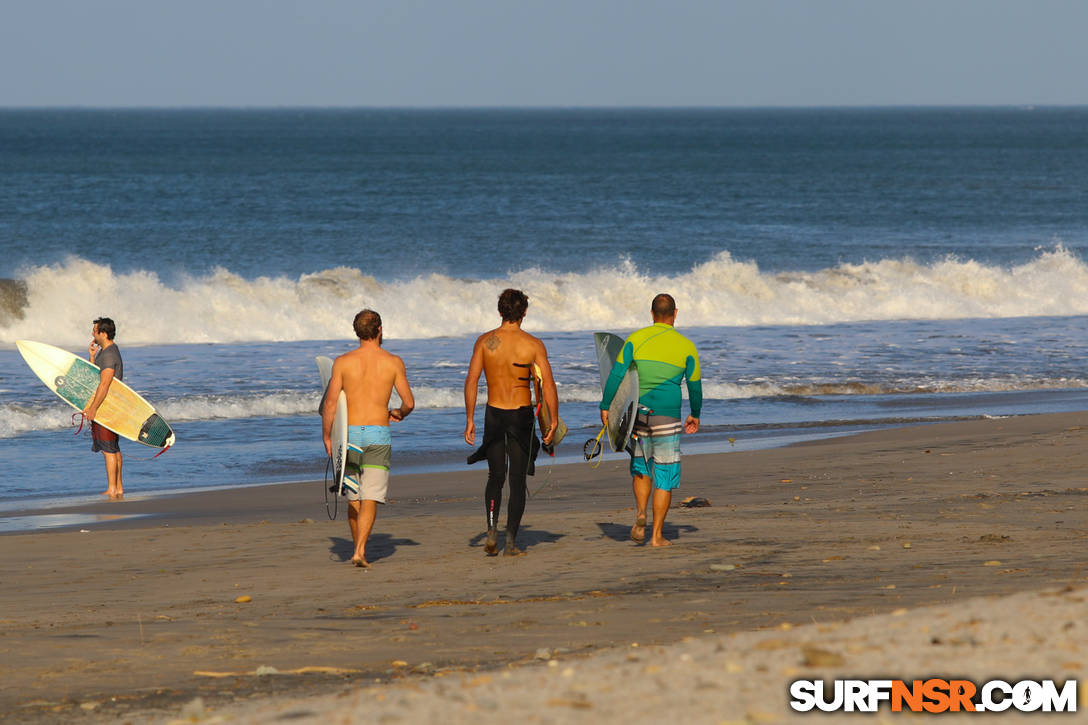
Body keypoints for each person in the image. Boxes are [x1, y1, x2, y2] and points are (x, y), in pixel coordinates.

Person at [600, 293, 702, 547]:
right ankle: (656, 536)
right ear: (675, 314)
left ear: (652, 313)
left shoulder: (635, 339)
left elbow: (616, 375)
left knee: (641, 468)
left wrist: (606, 406)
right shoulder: (687, 346)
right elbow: (695, 386)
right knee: (664, 475)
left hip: (639, 415)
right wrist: (695, 413)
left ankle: (641, 513)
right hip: (668, 416)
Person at [464, 289, 558, 557]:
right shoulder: (533, 344)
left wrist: (470, 419)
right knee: (517, 480)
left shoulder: (485, 341)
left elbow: (472, 381)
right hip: (520, 416)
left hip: (494, 414)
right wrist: (553, 420)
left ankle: (491, 531)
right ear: (524, 312)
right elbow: (547, 385)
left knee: (495, 477)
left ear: (500, 311)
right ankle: (512, 543)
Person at [322, 310, 414, 568]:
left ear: (356, 331)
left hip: (349, 435)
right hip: (377, 435)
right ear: (380, 329)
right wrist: (399, 413)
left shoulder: (342, 362)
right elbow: (409, 402)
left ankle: (357, 548)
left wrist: (327, 436)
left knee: (354, 498)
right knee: (371, 497)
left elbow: (330, 404)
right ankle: (360, 551)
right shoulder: (393, 362)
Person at [83, 317, 125, 499]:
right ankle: (118, 487)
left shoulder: (109, 355)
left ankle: (112, 489)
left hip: (106, 407)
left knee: (109, 449)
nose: (92, 333)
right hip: (110, 406)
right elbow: (96, 378)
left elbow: (104, 385)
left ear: (103, 333)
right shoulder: (107, 351)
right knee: (113, 448)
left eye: (95, 331)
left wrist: (93, 408)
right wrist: (92, 357)